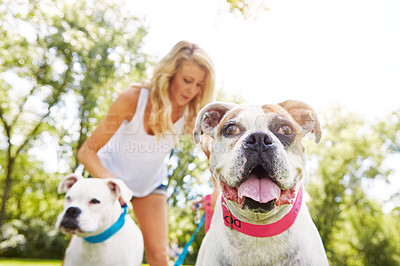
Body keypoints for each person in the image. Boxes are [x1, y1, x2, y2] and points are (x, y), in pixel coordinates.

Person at [77, 40, 215, 266]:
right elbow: (87, 152)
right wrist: (114, 185)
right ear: (170, 74)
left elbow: (212, 152)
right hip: (108, 180)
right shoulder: (133, 98)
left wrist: (217, 190)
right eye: (187, 80)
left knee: (160, 256)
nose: (192, 90)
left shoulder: (192, 113)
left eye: (199, 85)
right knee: (89, 250)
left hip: (150, 186)